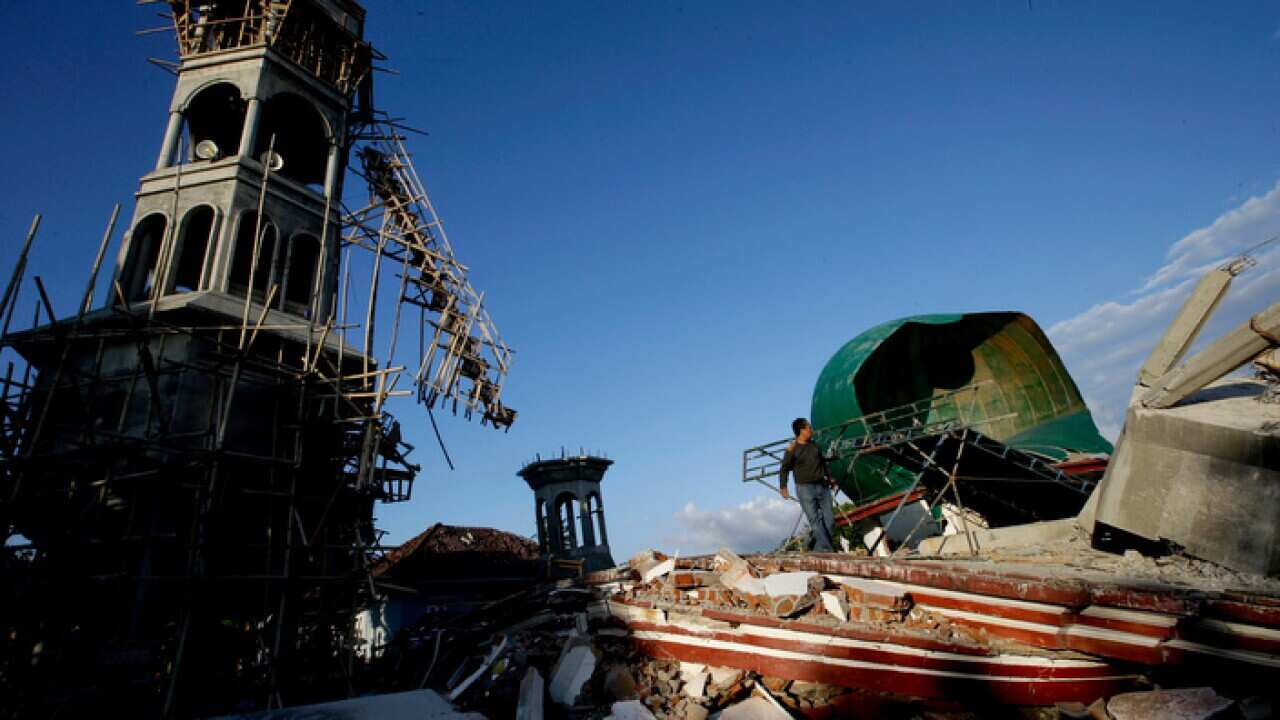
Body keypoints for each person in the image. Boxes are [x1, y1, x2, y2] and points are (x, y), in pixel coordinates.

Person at [778, 417, 837, 552]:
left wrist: (831, 479)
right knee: (815, 522)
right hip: (805, 489)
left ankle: (818, 550)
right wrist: (783, 487)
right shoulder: (792, 449)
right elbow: (784, 468)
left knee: (830, 521)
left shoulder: (815, 446)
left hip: (822, 486)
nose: (811, 430)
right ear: (801, 430)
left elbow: (823, 463)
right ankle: (828, 552)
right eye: (809, 427)